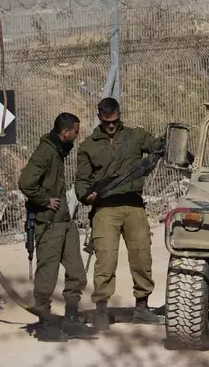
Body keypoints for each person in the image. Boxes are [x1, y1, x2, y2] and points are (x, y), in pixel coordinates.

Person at [75, 97, 164, 330]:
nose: (111, 126)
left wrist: (165, 144)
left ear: (119, 115)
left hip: (133, 205)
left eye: (115, 121)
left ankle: (142, 307)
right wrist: (86, 195)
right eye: (107, 122)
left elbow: (158, 146)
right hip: (105, 208)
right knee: (105, 259)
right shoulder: (88, 146)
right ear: (100, 118)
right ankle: (102, 310)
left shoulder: (135, 135)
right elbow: (81, 182)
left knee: (141, 255)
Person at [18, 112, 94, 342]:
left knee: (77, 275)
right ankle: (44, 326)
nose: (76, 137)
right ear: (65, 133)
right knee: (47, 277)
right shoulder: (45, 152)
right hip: (49, 225)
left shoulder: (58, 151)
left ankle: (71, 319)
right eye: (75, 133)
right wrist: (45, 200)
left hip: (64, 223)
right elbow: (25, 183)